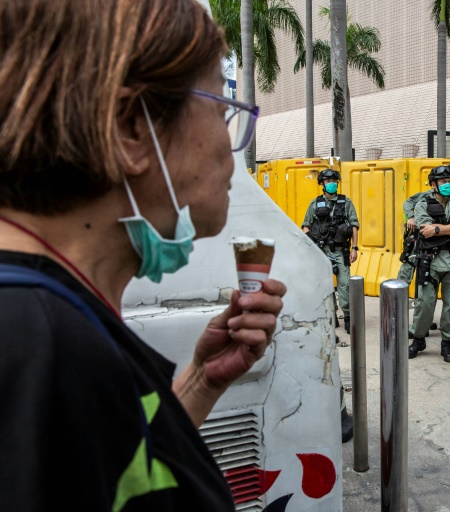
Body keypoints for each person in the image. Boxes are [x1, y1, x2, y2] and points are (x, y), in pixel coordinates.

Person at [0, 0, 287, 509]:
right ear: (133, 127)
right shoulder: (37, 345)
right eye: (222, 111)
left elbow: (113, 476)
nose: (230, 143)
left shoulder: (50, 319)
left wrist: (200, 381)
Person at [408, 166, 450, 363]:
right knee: (425, 304)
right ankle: (418, 339)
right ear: (433, 184)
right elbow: (425, 231)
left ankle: (447, 343)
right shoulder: (422, 204)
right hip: (430, 261)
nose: (447, 185)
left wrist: (438, 229)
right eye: (443, 182)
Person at [303, 169, 360, 334]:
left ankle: (348, 316)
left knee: (344, 285)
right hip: (321, 252)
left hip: (341, 251)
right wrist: (312, 247)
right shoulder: (315, 204)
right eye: (328, 181)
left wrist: (355, 248)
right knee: (325, 286)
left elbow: (354, 225)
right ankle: (331, 315)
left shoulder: (345, 202)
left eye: (334, 181)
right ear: (322, 184)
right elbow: (306, 226)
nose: (331, 184)